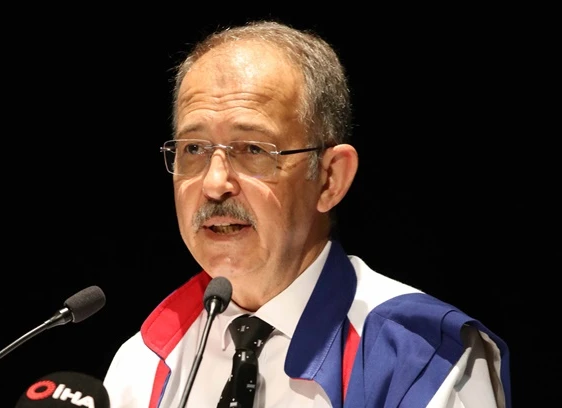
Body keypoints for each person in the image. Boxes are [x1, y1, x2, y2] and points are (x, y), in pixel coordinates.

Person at [102, 20, 511, 408]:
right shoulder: (143, 363)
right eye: (193, 148)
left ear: (330, 178)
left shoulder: (422, 355)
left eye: (253, 149)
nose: (214, 183)